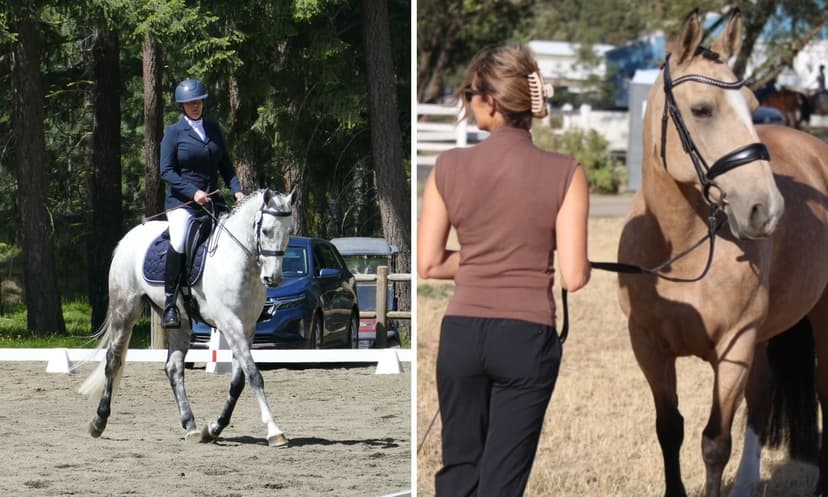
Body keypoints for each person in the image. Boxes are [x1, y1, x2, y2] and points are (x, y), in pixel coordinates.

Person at [417, 44, 590, 497]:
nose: (468, 102)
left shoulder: (448, 167)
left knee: (458, 473)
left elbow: (429, 264)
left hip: (462, 335)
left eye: (470, 94)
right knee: (502, 484)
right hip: (526, 339)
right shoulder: (567, 173)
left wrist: (480, 258)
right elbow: (574, 276)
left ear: (491, 103)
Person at [160, 78, 245, 328]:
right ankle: (170, 304)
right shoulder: (173, 132)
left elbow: (226, 166)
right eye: (190, 103)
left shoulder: (213, 129)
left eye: (198, 101)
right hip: (182, 204)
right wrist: (193, 192)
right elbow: (166, 171)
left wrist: (237, 191)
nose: (195, 106)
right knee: (179, 240)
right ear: (182, 106)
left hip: (212, 202)